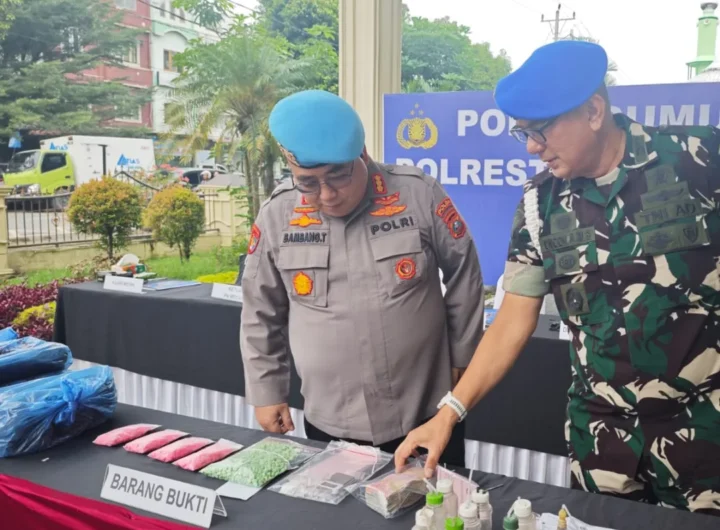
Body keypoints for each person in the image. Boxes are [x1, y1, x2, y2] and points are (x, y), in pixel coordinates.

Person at [395, 40, 720, 515]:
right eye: (522, 133)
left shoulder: (700, 159)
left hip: (704, 431)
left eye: (541, 131)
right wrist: (449, 413)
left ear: (593, 110)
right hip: (604, 443)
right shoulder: (538, 205)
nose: (531, 147)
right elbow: (512, 320)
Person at [240, 89, 485, 466]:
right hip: (330, 419)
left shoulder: (416, 193)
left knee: (434, 517)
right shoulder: (278, 215)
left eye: (337, 177)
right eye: (308, 182)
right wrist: (266, 389)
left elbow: (464, 272)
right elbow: (260, 309)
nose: (326, 194)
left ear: (363, 156)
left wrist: (464, 357)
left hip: (426, 414)